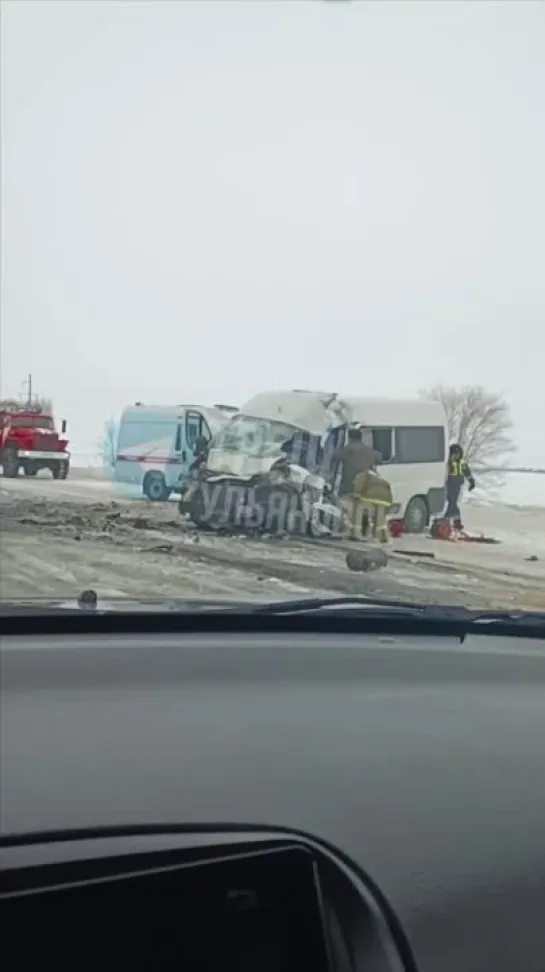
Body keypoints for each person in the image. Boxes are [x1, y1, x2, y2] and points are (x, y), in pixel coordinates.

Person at [332, 427, 381, 541]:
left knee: (347, 509)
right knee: (359, 509)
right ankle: (358, 533)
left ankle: (347, 532)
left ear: (349, 438)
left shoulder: (348, 449)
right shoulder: (369, 451)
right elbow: (380, 457)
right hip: (365, 486)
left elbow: (335, 456)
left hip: (349, 485)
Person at [444, 443, 476, 530]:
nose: (456, 456)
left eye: (458, 454)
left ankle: (450, 519)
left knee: (452, 502)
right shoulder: (449, 462)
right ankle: (455, 521)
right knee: (452, 501)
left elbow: (467, 472)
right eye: (454, 454)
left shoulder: (462, 462)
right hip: (449, 483)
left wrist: (471, 481)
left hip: (457, 484)